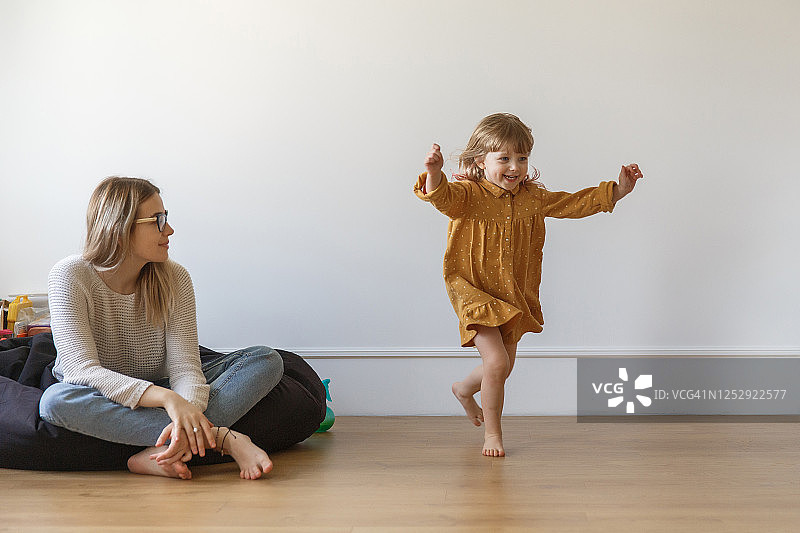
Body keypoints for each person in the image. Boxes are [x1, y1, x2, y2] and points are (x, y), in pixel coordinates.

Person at [414, 113, 643, 457]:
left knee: (503, 366)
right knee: (496, 363)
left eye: (522, 158)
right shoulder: (468, 195)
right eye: (504, 158)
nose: (515, 167)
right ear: (481, 160)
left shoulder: (533, 198)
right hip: (473, 289)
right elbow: (441, 197)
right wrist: (434, 173)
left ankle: (463, 389)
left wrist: (619, 190)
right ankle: (493, 434)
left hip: (513, 293)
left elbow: (573, 203)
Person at [39, 176, 283, 480]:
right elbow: (82, 371)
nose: (169, 230)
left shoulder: (175, 277)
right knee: (55, 402)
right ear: (120, 228)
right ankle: (222, 438)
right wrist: (169, 401)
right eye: (158, 220)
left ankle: (161, 450)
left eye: (165, 217)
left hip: (162, 384)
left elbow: (185, 369)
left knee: (265, 359)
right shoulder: (69, 275)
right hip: (100, 392)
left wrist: (184, 405)